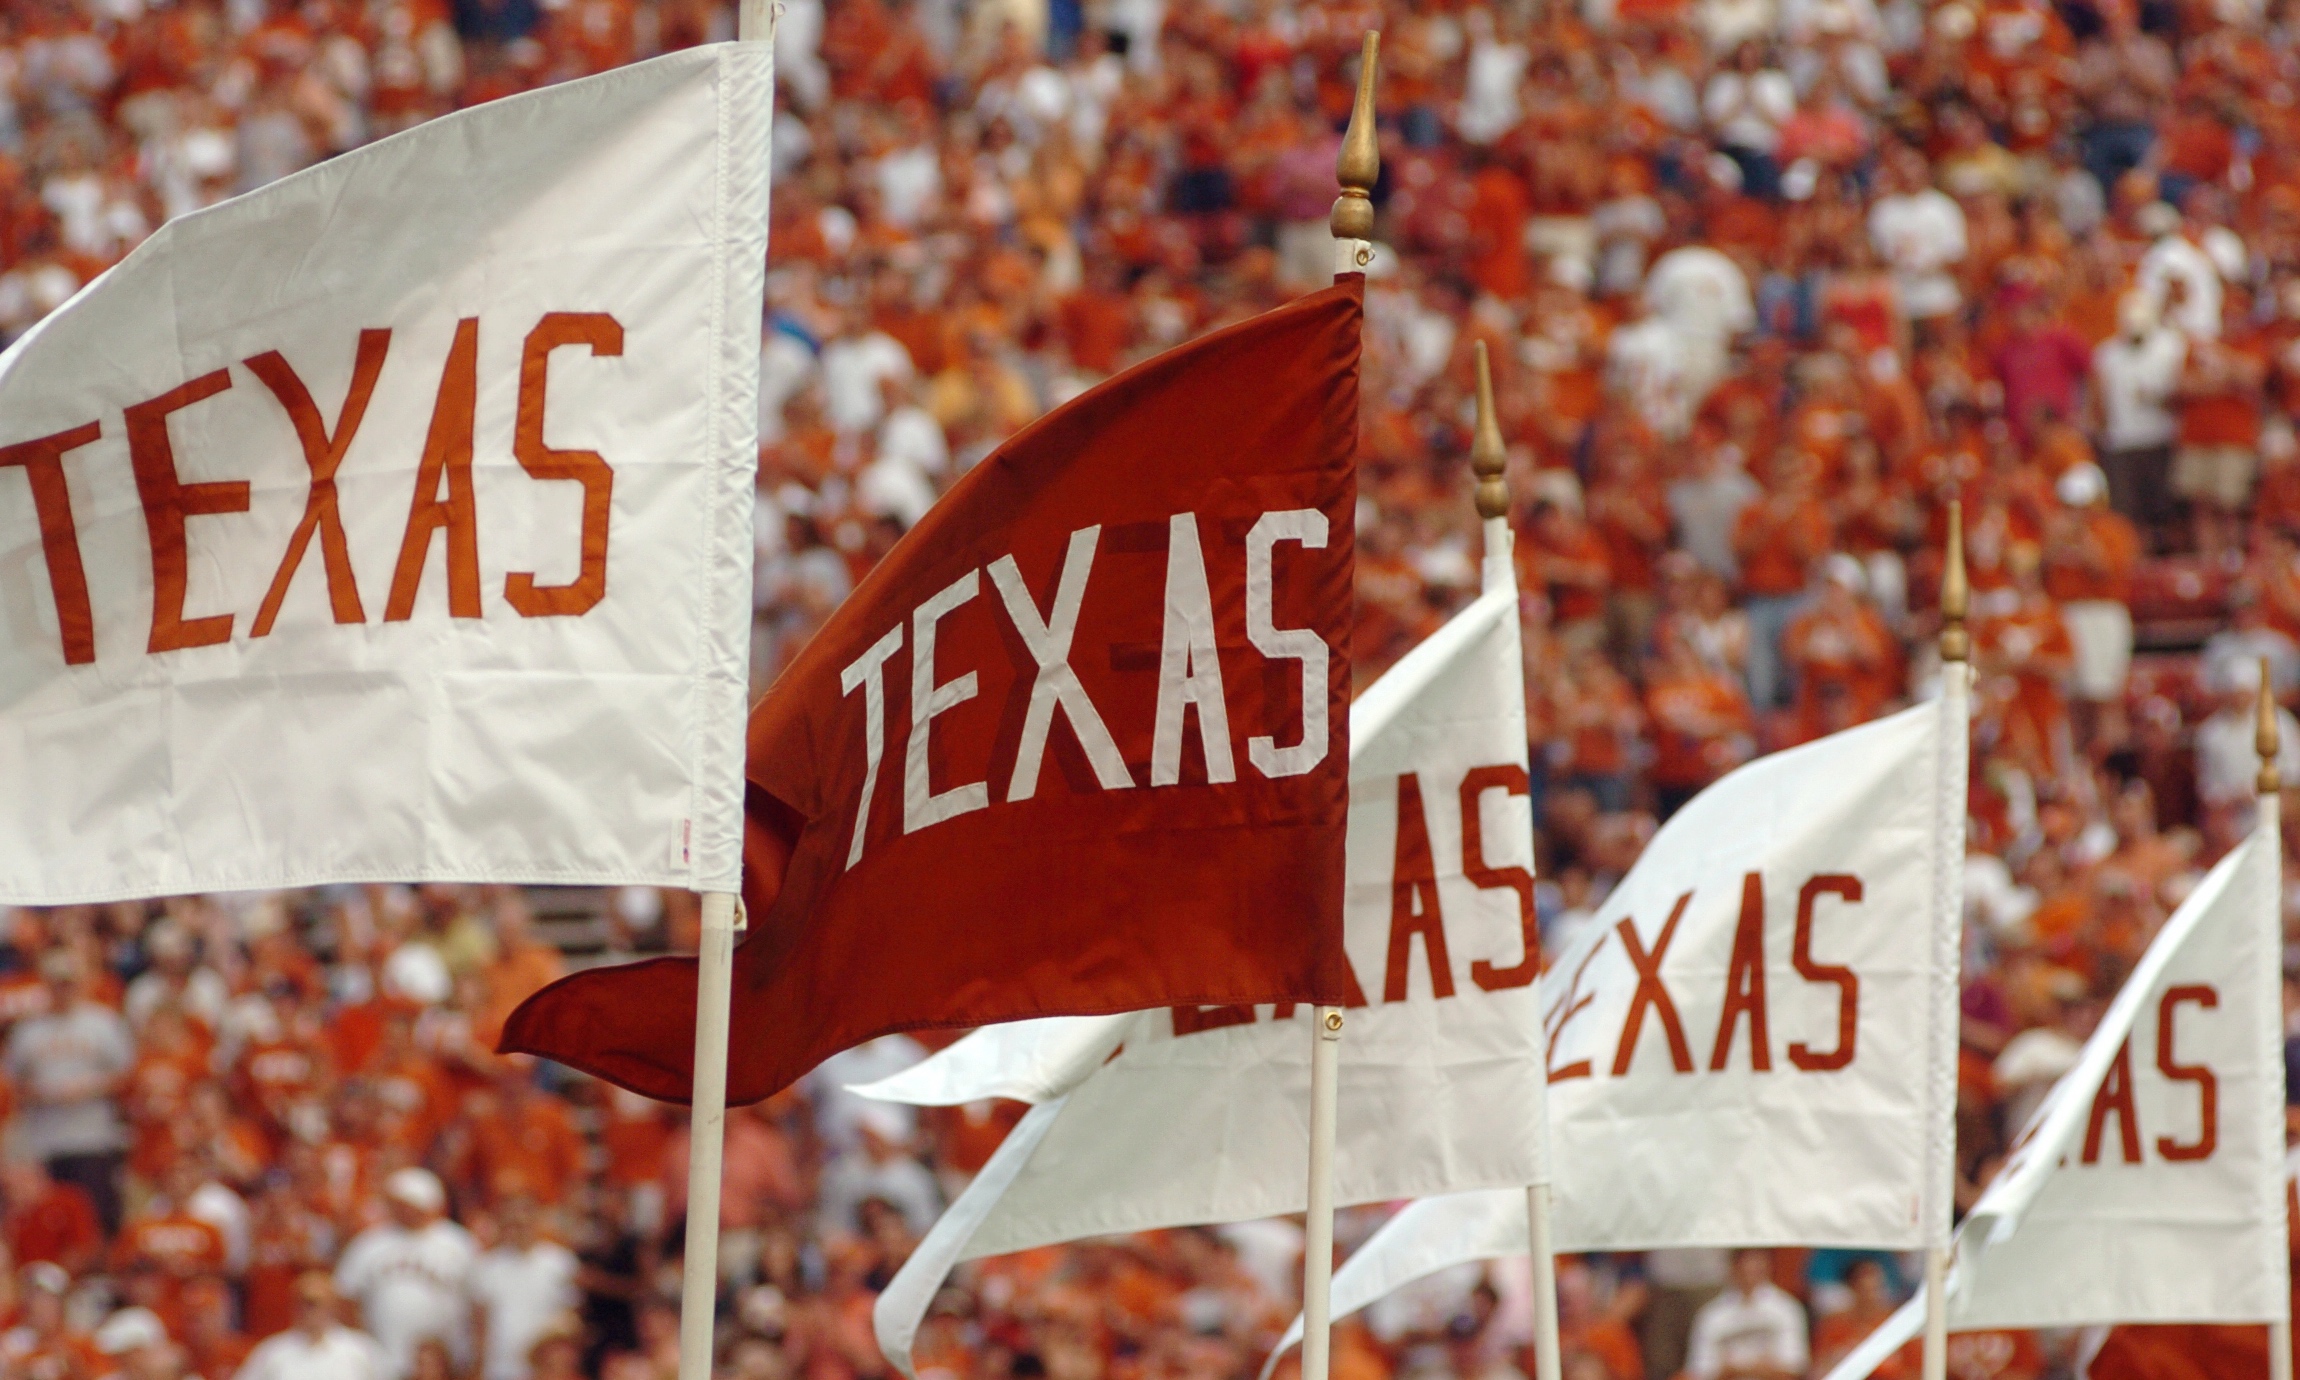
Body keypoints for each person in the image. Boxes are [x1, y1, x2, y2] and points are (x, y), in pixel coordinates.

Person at [4, 950, 134, 1235]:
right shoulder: (28, 1030)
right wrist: (40, 1092)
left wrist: (89, 1087)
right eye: (56, 983)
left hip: (93, 1135)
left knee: (96, 1211)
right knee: (49, 1215)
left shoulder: (102, 1022)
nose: (63, 990)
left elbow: (125, 1074)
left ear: (79, 983)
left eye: (68, 983)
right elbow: (13, 1081)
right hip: (44, 1138)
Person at [333, 1169, 476, 1380]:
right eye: (399, 1203)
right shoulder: (369, 1243)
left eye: (411, 1203)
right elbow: (344, 1295)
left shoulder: (458, 1243)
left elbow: (477, 1301)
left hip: (443, 1362)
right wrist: (364, 1342)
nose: (405, 1210)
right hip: (382, 1358)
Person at [469, 1197, 577, 1380]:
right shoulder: (487, 1266)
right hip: (499, 1369)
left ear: (537, 1221)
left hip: (544, 1371)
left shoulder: (561, 1262)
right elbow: (480, 1326)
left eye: (525, 1222)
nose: (520, 1229)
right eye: (513, 1223)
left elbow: (569, 1320)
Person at [235, 1272, 391, 1380]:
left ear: (332, 1305)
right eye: (300, 1303)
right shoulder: (272, 1352)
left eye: (313, 1303)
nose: (306, 1310)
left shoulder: (361, 1350)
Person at [1682, 1248, 1807, 1380]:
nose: (1750, 1268)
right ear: (1733, 1266)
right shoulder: (1711, 1315)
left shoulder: (1787, 1309)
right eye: (1745, 1261)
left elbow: (1794, 1368)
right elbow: (1698, 1371)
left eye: (1757, 1261)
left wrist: (1739, 1368)